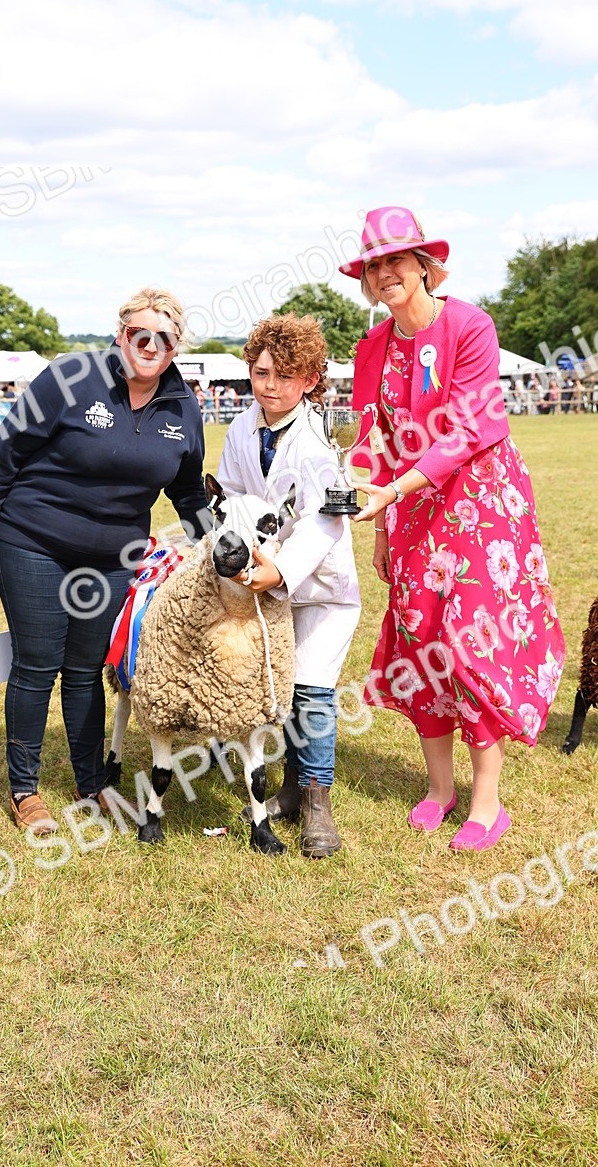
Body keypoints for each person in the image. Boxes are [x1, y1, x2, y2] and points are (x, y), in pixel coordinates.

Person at [339, 206, 565, 851]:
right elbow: (376, 438)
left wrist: (394, 490)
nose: (386, 274)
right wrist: (382, 522)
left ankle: (487, 804)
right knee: (420, 642)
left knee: (470, 647)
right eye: (374, 265)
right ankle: (439, 789)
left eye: (396, 261)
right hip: (410, 509)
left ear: (424, 264)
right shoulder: (372, 349)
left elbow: (469, 427)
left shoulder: (470, 325)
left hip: (482, 503)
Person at [0, 287, 210, 835]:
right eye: (138, 333)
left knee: (85, 670)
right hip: (32, 541)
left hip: (113, 560)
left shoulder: (184, 407)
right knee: (38, 663)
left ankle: (91, 781)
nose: (149, 345)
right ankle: (25, 790)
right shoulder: (71, 376)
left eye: (163, 338)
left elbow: (189, 492)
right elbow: (4, 453)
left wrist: (217, 548)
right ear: (120, 334)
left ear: (175, 348)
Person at [217, 313, 361, 857]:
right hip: (264, 581)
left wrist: (282, 568)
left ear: (309, 381)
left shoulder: (322, 437)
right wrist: (238, 554)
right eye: (261, 372)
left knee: (315, 693)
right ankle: (292, 791)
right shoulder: (239, 428)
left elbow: (328, 518)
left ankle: (317, 807)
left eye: (284, 375)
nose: (270, 385)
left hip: (319, 586)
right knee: (284, 692)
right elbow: (231, 494)